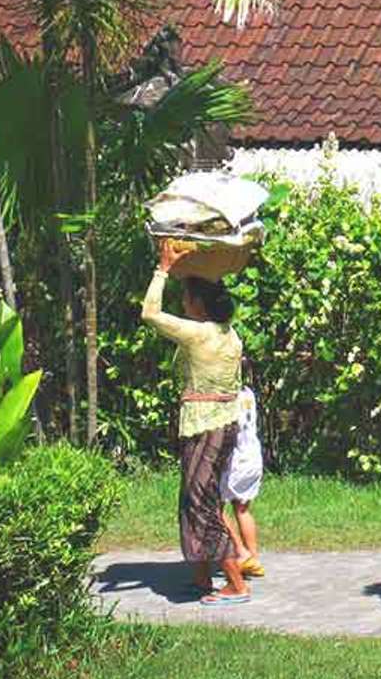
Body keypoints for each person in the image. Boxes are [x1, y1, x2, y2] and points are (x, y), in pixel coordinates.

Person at [142, 241, 250, 606]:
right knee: (196, 499)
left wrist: (163, 269)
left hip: (207, 427)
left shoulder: (199, 333)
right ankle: (203, 579)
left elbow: (150, 313)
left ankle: (236, 584)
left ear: (199, 305)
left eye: (188, 299)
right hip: (218, 425)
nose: (184, 305)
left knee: (200, 502)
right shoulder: (229, 333)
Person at [220, 382, 264, 579]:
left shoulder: (228, 396)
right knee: (242, 509)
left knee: (214, 507)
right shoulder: (248, 393)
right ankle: (253, 558)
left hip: (236, 457)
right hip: (253, 453)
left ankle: (241, 552)